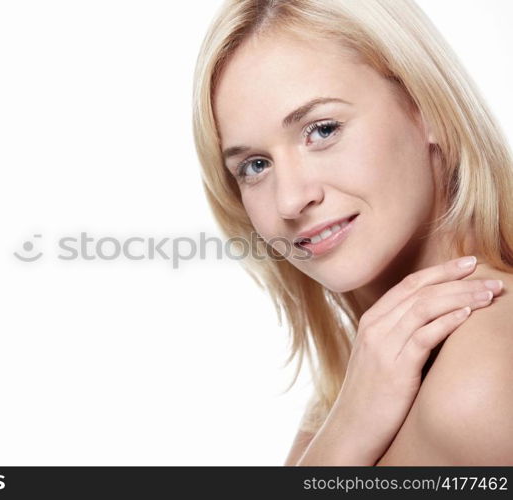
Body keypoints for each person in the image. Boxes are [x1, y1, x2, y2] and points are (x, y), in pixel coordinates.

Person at [191, 0, 513, 465]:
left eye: (322, 130)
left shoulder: (481, 379)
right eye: (255, 165)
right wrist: (345, 429)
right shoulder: (364, 382)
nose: (289, 200)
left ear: (428, 109)